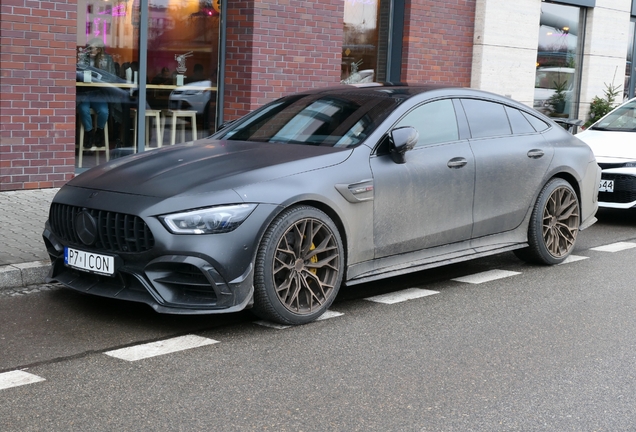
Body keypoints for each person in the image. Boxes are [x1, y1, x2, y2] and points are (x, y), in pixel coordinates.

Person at [77, 38, 115, 148]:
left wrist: (101, 78)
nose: (89, 50)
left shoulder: (106, 59)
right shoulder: (84, 58)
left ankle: (99, 132)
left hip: (99, 92)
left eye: (91, 48)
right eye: (88, 48)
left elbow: (111, 76)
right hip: (84, 92)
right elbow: (77, 72)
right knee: (83, 110)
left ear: (98, 49)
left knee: (104, 112)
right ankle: (89, 133)